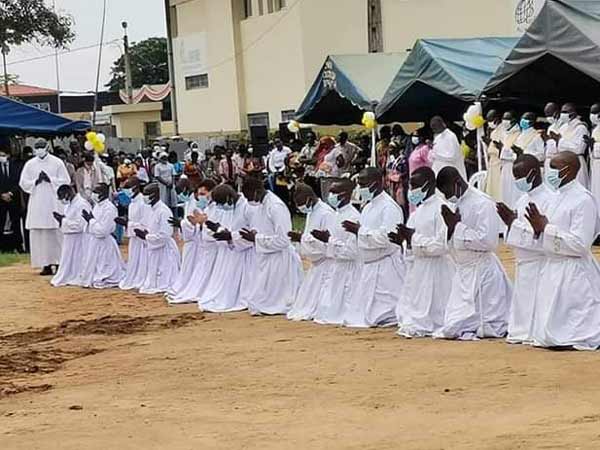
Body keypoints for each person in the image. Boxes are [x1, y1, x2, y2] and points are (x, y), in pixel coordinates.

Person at [525, 151, 600, 350]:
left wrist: (546, 229)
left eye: (554, 168)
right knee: (549, 328)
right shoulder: (556, 197)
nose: (549, 172)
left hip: (574, 270)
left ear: (568, 170)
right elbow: (544, 230)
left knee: (574, 326)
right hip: (553, 266)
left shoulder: (583, 199)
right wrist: (537, 230)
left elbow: (580, 244)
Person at [433, 167, 512, 340]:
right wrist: (450, 229)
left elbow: (489, 242)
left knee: (484, 323)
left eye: (447, 192)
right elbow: (448, 238)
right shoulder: (457, 202)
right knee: (453, 324)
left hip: (481, 269)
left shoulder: (482, 203)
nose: (447, 198)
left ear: (457, 183)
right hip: (463, 270)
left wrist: (457, 227)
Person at [497, 154, 556, 344]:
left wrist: (514, 224)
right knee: (523, 302)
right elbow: (517, 231)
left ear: (533, 174)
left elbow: (542, 235)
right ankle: (521, 331)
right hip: (523, 261)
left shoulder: (550, 199)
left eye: (519, 176)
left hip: (539, 261)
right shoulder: (522, 200)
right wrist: (510, 224)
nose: (517, 181)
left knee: (537, 305)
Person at [389, 167, 455, 337]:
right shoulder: (416, 212)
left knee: (436, 307)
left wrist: (414, 239)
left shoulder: (442, 208)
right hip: (419, 267)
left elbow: (443, 244)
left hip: (437, 267)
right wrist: (405, 243)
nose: (412, 191)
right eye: (411, 186)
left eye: (416, 186)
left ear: (429, 184)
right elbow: (411, 242)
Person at [342, 167, 406, 327]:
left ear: (376, 183)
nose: (360, 189)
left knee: (387, 310)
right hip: (369, 265)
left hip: (386, 265)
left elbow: (387, 238)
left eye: (363, 184)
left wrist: (359, 231)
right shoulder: (368, 206)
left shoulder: (389, 207)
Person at [239, 176, 303, 315]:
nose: (248, 200)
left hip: (279, 258)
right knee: (257, 300)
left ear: (256, 191)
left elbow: (284, 239)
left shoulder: (275, 206)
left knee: (277, 300)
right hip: (265, 256)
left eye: (248, 196)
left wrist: (256, 238)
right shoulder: (261, 204)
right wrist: (254, 235)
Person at [312, 179, 363, 326]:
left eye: (334, 192)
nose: (331, 196)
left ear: (345, 195)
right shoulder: (335, 214)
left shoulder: (353, 216)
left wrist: (329, 240)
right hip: (335, 266)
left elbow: (352, 250)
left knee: (344, 304)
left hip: (348, 269)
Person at [198, 184, 254, 312]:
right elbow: (229, 227)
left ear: (229, 197)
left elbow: (249, 231)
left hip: (246, 251)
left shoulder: (246, 207)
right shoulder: (230, 208)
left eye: (222, 203)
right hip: (233, 250)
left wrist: (231, 236)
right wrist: (218, 229)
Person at [19, 138, 70, 275]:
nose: (39, 149)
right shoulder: (30, 164)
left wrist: (50, 179)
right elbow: (23, 182)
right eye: (37, 147)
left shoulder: (57, 162)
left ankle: (59, 262)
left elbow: (66, 180)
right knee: (40, 234)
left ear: (47, 147)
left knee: (56, 232)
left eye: (41, 146)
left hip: (53, 201)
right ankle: (45, 264)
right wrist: (36, 180)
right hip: (37, 202)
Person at [287, 183, 336, 321]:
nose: (301, 207)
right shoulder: (312, 212)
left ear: (309, 199)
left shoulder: (326, 213)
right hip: (316, 264)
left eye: (301, 203)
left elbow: (327, 242)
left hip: (326, 262)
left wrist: (302, 238)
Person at [167, 179, 215, 304]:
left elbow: (202, 224)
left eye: (203, 194)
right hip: (193, 242)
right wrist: (186, 223)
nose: (201, 197)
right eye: (200, 194)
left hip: (200, 243)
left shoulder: (208, 207)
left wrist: (185, 223)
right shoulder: (192, 203)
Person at [136, 183, 180, 295]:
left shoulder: (163, 211)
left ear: (154, 195)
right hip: (154, 248)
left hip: (164, 249)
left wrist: (146, 237)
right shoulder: (151, 209)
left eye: (146, 194)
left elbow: (164, 235)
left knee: (164, 277)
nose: (144, 197)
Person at [78, 183, 125, 288]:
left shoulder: (110, 208)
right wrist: (88, 221)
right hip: (94, 242)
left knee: (105, 266)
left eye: (96, 192)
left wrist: (91, 220)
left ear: (103, 193)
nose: (93, 194)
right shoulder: (97, 206)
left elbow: (103, 230)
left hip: (105, 243)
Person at [50, 185, 92, 287]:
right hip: (70, 238)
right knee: (68, 259)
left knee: (78, 259)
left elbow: (81, 224)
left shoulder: (81, 204)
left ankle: (78, 275)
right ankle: (68, 275)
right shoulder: (69, 204)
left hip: (79, 238)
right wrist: (62, 219)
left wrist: (63, 221)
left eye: (62, 197)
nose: (62, 200)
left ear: (67, 194)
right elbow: (70, 218)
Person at [117, 177, 151, 291]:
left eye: (127, 187)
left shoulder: (142, 202)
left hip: (141, 239)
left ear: (135, 187)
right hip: (133, 238)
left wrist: (128, 223)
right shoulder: (132, 203)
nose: (126, 190)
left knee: (141, 261)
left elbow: (145, 223)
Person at [556, 103, 590, 189]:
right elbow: (559, 147)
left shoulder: (581, 127)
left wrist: (560, 141)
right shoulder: (563, 127)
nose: (562, 114)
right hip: (563, 162)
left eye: (565, 112)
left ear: (573, 114)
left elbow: (579, 149)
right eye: (561, 111)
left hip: (576, 161)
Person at [0, 148, 24, 252]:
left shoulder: (16, 166)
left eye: (3, 155)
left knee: (16, 223)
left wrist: (10, 193)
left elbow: (19, 182)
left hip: (13, 199)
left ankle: (18, 245)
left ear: (8, 155)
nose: (2, 157)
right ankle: (2, 247)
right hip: (1, 200)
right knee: (1, 222)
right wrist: (2, 195)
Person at [499, 111, 521, 209]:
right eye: (503, 119)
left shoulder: (518, 134)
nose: (504, 121)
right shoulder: (505, 133)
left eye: (507, 119)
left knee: (512, 192)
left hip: (513, 165)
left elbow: (517, 151)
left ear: (513, 121)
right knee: (505, 191)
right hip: (504, 166)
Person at [543, 102, 563, 173]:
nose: (548, 117)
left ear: (557, 112)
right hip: (549, 160)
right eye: (546, 115)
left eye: (549, 114)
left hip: (560, 160)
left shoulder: (564, 126)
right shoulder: (550, 127)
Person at [588, 103, 600, 206]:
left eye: (595, 112)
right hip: (595, 164)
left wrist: (595, 145)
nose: (592, 115)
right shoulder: (596, 129)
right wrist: (591, 147)